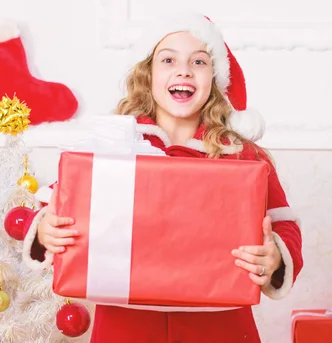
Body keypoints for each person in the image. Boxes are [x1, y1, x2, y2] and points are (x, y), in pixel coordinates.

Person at [22, 11, 303, 343]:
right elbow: (57, 204)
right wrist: (45, 229)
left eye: (199, 62)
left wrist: (275, 257)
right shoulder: (112, 145)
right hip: (126, 323)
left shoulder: (241, 153)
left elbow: (284, 225)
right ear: (148, 73)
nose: (183, 69)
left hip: (221, 326)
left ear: (214, 78)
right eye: (168, 60)